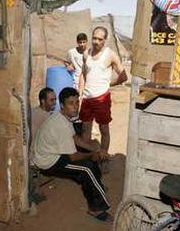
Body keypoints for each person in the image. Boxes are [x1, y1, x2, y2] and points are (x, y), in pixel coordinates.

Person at [33, 87, 112, 222]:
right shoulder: (60, 124)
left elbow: (75, 138)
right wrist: (92, 154)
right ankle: (97, 208)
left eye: (77, 103)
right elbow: (73, 157)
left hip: (53, 153)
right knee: (86, 168)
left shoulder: (63, 116)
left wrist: (95, 150)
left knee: (89, 159)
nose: (75, 107)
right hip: (48, 161)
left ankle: (95, 187)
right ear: (62, 106)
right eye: (71, 103)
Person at [80, 26, 127, 157]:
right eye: (94, 38)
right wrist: (80, 93)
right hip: (87, 98)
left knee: (104, 129)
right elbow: (83, 75)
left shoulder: (110, 54)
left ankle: (104, 157)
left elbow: (123, 77)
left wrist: (109, 84)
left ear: (105, 40)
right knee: (85, 128)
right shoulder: (86, 54)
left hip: (101, 99)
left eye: (99, 39)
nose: (96, 41)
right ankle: (86, 156)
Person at [30, 87, 56, 156]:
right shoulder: (47, 117)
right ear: (43, 101)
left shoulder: (32, 111)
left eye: (55, 100)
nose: (55, 103)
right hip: (38, 155)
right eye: (51, 100)